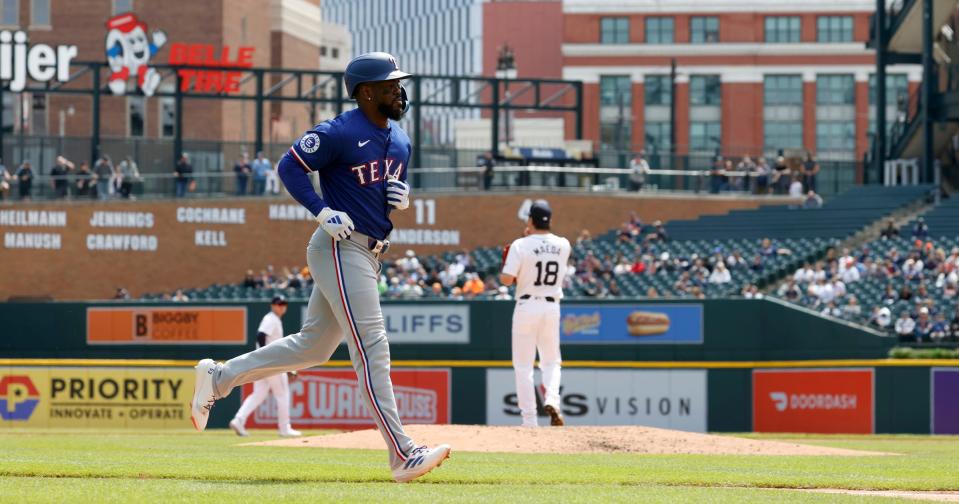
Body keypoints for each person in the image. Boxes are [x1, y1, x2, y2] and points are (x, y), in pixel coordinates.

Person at [189, 52, 450, 484]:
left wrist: (399, 197)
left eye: (399, 83)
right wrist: (319, 208)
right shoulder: (340, 131)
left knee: (313, 348)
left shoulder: (401, 139)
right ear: (366, 92)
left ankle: (219, 378)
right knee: (371, 344)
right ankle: (403, 453)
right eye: (389, 85)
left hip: (371, 251)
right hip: (339, 246)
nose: (399, 91)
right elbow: (289, 165)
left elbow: (382, 188)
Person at [499, 200, 571, 428]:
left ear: (530, 220)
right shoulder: (563, 244)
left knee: (523, 366)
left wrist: (523, 239)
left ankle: (529, 420)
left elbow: (507, 279)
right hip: (551, 306)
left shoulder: (521, 245)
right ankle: (552, 400)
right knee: (551, 362)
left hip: (526, 305)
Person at [228, 295, 302, 438]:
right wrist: (265, 356)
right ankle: (284, 428)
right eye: (279, 304)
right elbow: (261, 335)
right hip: (271, 364)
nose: (282, 306)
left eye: (284, 304)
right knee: (282, 394)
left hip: (263, 364)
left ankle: (239, 420)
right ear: (273, 305)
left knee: (258, 394)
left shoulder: (274, 319)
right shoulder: (271, 318)